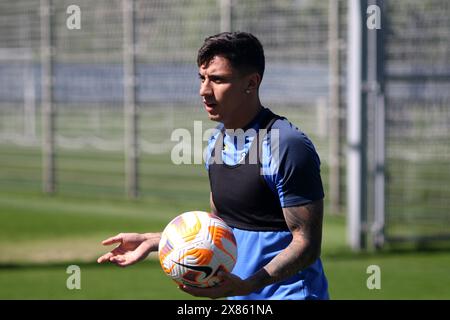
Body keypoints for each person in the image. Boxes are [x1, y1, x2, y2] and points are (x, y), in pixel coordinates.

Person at [98, 31, 329, 300]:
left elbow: (307, 243)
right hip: (239, 297)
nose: (204, 91)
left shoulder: (286, 145)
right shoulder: (216, 141)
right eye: (202, 78)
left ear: (251, 83)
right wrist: (157, 240)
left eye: (218, 79)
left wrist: (251, 284)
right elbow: (220, 227)